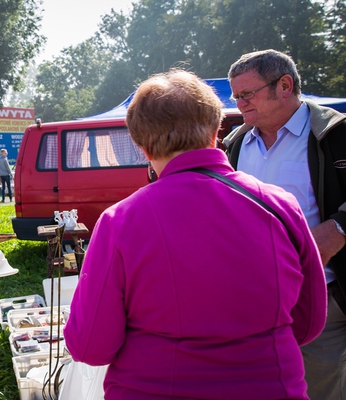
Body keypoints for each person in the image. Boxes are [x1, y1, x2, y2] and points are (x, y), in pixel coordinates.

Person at [64, 69, 327, 399]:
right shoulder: (280, 206)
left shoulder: (122, 220)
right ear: (217, 130)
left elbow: (91, 346)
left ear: (141, 146)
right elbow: (308, 323)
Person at [223, 49, 346, 400]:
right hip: (254, 304)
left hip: (322, 296)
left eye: (247, 94)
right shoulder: (234, 145)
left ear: (285, 86)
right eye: (236, 96)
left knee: (321, 389)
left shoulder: (336, 133)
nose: (239, 103)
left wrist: (337, 229)